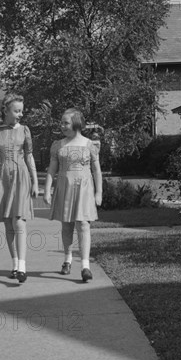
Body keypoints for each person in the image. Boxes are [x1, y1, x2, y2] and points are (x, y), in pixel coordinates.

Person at [0, 92, 39, 283]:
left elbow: (29, 155)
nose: (20, 114)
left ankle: (23, 266)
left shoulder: (25, 130)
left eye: (21, 111)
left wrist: (35, 181)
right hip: (1, 178)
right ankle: (15, 263)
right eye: (16, 111)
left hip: (21, 177)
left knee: (19, 221)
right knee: (8, 222)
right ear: (6, 110)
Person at [43, 108, 103, 282]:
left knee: (83, 225)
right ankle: (67, 259)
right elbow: (52, 168)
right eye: (61, 122)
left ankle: (85, 266)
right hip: (64, 186)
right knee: (67, 225)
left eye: (65, 122)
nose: (62, 126)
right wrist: (47, 189)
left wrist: (98, 192)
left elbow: (96, 170)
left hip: (84, 188)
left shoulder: (89, 145)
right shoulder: (58, 145)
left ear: (76, 124)